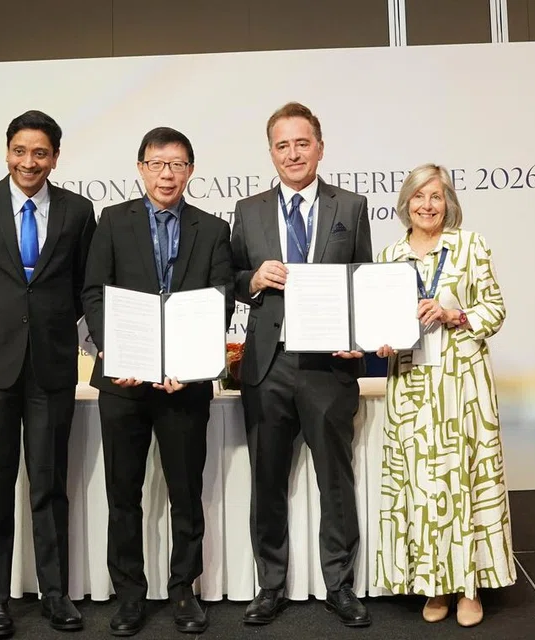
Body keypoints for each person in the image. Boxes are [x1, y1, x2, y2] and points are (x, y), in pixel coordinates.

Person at [0, 110, 96, 638]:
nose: (29, 162)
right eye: (20, 151)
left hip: (51, 363)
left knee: (49, 482)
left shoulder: (78, 211)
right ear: (7, 151)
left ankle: (55, 594)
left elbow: (83, 284)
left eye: (40, 153)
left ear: (55, 157)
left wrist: (45, 326)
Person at [81, 127, 235, 636]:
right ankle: (129, 595)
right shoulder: (112, 220)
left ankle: (183, 590)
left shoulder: (212, 229)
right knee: (123, 493)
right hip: (123, 382)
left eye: (177, 165)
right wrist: (113, 347)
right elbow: (94, 292)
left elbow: (220, 300)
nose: (166, 174)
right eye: (157, 164)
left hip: (184, 386)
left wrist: (189, 364)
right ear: (141, 168)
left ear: (190, 170)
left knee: (186, 493)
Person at [230, 102, 373, 628]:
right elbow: (229, 278)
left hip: (327, 367)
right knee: (267, 480)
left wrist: (359, 337)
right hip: (267, 365)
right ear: (271, 152)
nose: (293, 153)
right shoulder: (247, 210)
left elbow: (363, 280)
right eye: (282, 145)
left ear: (320, 147)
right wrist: (252, 279)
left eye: (302, 143)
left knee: (335, 478)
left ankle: (339, 584)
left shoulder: (350, 206)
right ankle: (270, 585)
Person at [374, 164, 516, 627]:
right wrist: (380, 340)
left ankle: (469, 587)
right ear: (406, 203)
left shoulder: (471, 246)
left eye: (436, 196)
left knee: (464, 482)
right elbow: (380, 320)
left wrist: (455, 314)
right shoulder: (389, 256)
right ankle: (434, 584)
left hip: (462, 384)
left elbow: (495, 309)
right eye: (419, 196)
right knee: (422, 487)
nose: (427, 205)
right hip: (411, 384)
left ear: (448, 202)